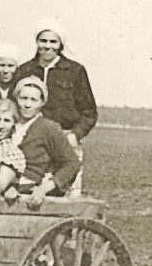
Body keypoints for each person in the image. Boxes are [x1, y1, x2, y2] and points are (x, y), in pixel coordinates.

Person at [13, 18, 97, 197]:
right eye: (43, 41)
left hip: (65, 139)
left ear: (60, 44)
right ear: (36, 42)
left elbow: (89, 113)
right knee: (29, 191)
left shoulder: (75, 71)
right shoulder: (24, 70)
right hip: (33, 142)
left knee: (67, 192)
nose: (48, 46)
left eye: (53, 41)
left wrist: (75, 135)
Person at [0, 77, 81, 209]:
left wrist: (44, 188)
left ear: (42, 102)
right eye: (23, 98)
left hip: (28, 190)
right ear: (16, 98)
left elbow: (72, 163)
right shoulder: (7, 123)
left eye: (33, 100)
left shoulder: (48, 128)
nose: (27, 104)